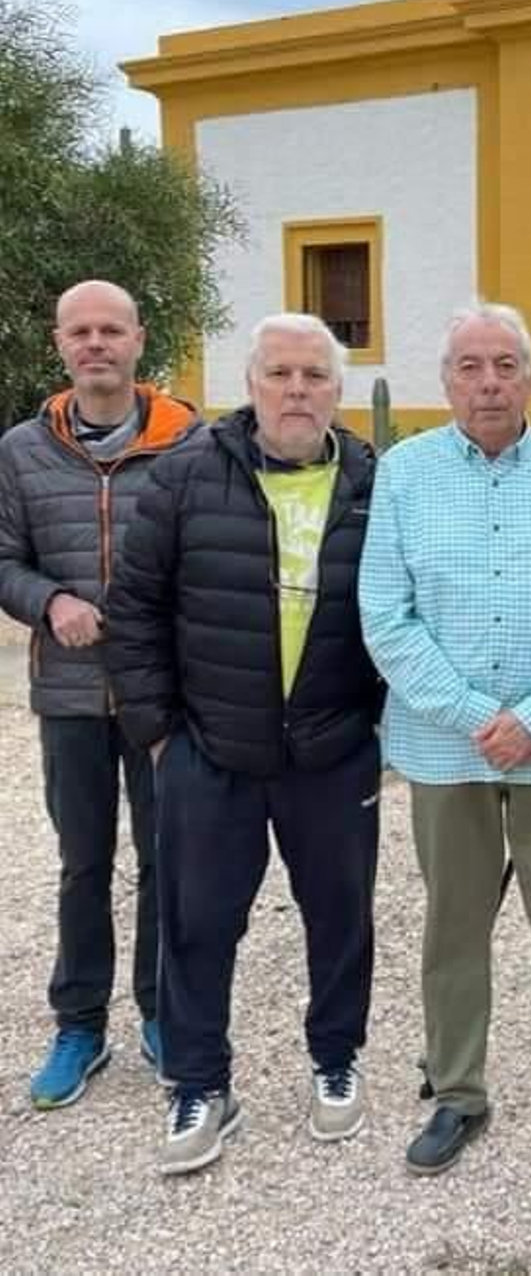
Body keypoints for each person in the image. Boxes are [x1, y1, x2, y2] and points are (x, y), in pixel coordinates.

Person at [359, 301, 531, 1179]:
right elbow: (385, 616)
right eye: (471, 366)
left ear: (530, 377)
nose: (489, 382)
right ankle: (457, 1092)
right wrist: (476, 714)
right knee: (452, 924)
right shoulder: (403, 475)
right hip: (446, 746)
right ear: (446, 380)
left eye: (505, 365)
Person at [105, 313, 383, 1176]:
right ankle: (200, 1082)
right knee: (196, 923)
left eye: (314, 376)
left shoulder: (379, 483)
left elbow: (408, 605)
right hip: (210, 751)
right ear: (251, 384)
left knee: (340, 917)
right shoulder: (187, 475)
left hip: (333, 752)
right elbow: (134, 611)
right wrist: (157, 735)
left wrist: (378, 719)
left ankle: (335, 1060)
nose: (296, 390)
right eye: (279, 374)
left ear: (337, 391)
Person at [0, 280, 202, 1109]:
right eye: (80, 331)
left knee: (168, 862)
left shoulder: (191, 443)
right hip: (71, 696)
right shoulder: (20, 450)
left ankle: (163, 1015)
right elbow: (4, 560)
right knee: (84, 863)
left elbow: (214, 554)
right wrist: (50, 602)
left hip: (163, 697)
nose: (96, 344)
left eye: (110, 329)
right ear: (60, 346)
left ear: (137, 340)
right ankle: (79, 1024)